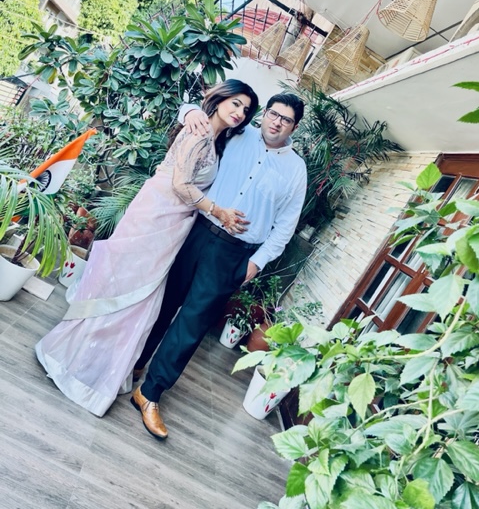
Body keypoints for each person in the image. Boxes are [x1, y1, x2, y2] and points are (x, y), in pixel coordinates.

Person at [35, 79, 259, 417]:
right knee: (126, 285)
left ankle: (101, 364)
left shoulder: (217, 138)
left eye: (246, 110)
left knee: (140, 294)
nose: (240, 112)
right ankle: (80, 361)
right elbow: (180, 183)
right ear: (221, 99)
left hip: (174, 223)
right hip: (156, 216)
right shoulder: (199, 132)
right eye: (236, 103)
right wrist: (219, 211)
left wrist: (191, 111)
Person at [131, 92, 307, 440]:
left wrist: (256, 263)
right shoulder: (237, 132)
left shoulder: (295, 169)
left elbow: (286, 226)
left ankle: (150, 392)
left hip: (233, 254)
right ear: (264, 113)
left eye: (285, 119)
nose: (276, 122)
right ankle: (134, 365)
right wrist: (190, 111)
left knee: (192, 324)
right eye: (273, 114)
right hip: (195, 231)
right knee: (161, 304)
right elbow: (199, 115)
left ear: (294, 127)